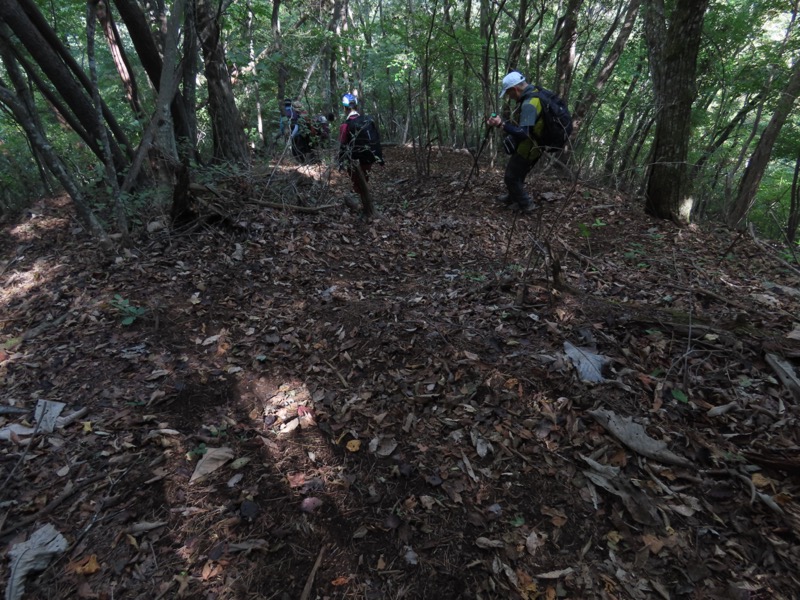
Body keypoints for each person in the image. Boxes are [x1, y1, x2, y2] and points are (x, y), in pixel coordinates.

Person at [486, 71, 545, 213]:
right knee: (519, 173)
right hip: (535, 144)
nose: (509, 97)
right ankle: (513, 197)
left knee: (510, 176)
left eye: (509, 93)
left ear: (515, 89)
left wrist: (501, 124)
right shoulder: (536, 93)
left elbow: (523, 133)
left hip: (530, 146)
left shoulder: (530, 103)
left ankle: (526, 204)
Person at [338, 93, 384, 197]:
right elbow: (376, 140)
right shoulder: (368, 120)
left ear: (344, 108)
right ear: (356, 106)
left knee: (356, 182)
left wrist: (341, 162)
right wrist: (380, 159)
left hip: (354, 160)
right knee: (364, 179)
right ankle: (364, 200)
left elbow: (343, 145)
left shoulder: (345, 125)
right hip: (368, 157)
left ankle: (361, 203)